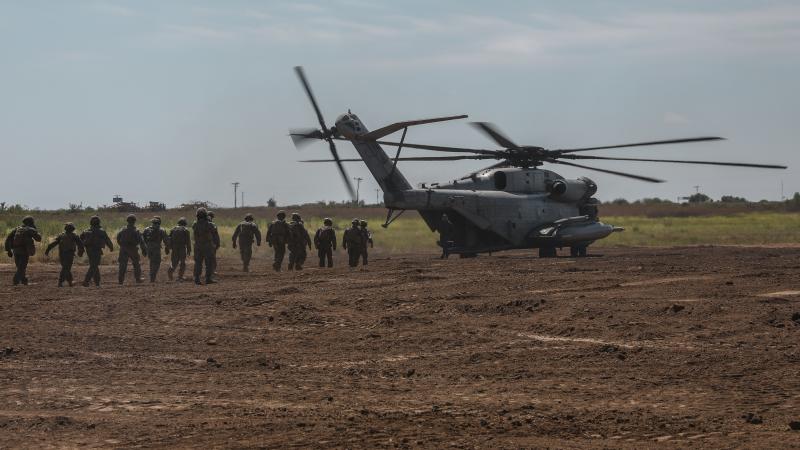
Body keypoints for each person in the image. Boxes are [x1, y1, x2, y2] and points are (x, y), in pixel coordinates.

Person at [4, 216, 42, 285]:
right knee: (22, 267)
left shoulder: (17, 229)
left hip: (15, 251)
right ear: (30, 222)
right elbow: (38, 239)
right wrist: (35, 229)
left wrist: (8, 251)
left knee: (20, 267)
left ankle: (24, 281)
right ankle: (15, 281)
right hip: (24, 251)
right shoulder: (30, 229)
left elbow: (8, 239)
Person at [45, 222, 85, 287]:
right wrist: (81, 252)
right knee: (66, 268)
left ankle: (70, 282)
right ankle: (60, 282)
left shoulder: (61, 235)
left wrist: (47, 250)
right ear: (73, 229)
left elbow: (52, 244)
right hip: (69, 254)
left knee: (66, 268)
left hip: (62, 255)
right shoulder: (74, 236)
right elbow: (81, 245)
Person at [80, 216, 114, 287]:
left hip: (89, 250)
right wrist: (111, 247)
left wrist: (81, 249)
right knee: (94, 265)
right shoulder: (101, 231)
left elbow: (81, 239)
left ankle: (97, 282)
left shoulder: (86, 231)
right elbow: (107, 240)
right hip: (97, 250)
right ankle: (86, 281)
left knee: (94, 265)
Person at [116, 214, 147, 284]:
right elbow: (141, 241)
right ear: (134, 221)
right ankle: (138, 279)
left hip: (123, 249)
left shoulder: (122, 230)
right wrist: (144, 250)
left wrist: (122, 246)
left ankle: (120, 280)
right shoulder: (136, 230)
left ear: (127, 221)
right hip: (133, 248)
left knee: (122, 265)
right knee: (136, 264)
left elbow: (118, 238)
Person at [192, 208, 220, 285]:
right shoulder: (210, 224)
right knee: (209, 262)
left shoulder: (195, 224)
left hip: (197, 245)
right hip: (208, 245)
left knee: (198, 262)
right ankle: (208, 278)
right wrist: (217, 244)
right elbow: (215, 236)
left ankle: (197, 278)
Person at [142, 216, 170, 282]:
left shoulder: (146, 229)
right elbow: (166, 240)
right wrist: (167, 247)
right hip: (156, 248)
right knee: (157, 262)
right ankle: (152, 277)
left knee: (152, 262)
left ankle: (152, 276)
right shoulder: (161, 230)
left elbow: (143, 239)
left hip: (149, 247)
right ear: (159, 222)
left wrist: (145, 247)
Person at [207, 210, 218, 278]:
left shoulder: (199, 224)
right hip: (211, 244)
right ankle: (212, 271)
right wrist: (217, 243)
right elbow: (216, 236)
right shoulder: (212, 225)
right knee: (212, 258)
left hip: (202, 244)